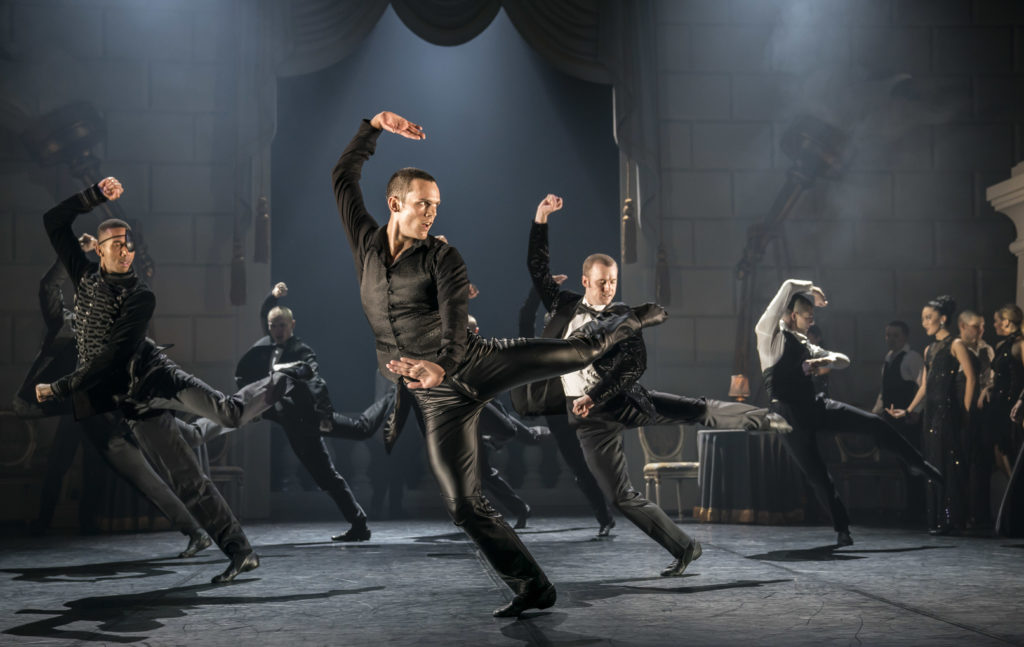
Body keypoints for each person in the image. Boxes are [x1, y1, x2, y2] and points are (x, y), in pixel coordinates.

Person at [331, 110, 666, 617]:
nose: (431, 214)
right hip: (435, 396)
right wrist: (373, 126)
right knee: (463, 506)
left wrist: (441, 364)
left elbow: (454, 324)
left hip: (473, 365)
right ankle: (534, 587)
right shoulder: (366, 243)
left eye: (436, 207)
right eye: (423, 205)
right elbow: (343, 176)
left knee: (576, 351)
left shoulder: (444, 257)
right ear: (394, 204)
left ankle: (629, 318)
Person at [36, 177, 294, 582]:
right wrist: (94, 196)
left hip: (158, 378)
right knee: (187, 481)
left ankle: (281, 381)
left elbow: (114, 354)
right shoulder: (83, 276)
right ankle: (241, 551)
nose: (126, 251)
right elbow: (54, 220)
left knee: (228, 414)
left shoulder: (140, 295)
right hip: (132, 404)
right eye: (116, 244)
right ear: (98, 250)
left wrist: (62, 387)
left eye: (129, 244)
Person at [520, 193, 788, 577]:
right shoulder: (565, 306)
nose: (608, 288)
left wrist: (594, 395)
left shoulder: (623, 317)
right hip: (589, 421)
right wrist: (541, 217)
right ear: (584, 282)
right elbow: (538, 269)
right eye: (601, 282)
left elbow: (634, 366)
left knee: (693, 409)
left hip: (622, 400)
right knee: (620, 496)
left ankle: (760, 419)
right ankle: (684, 547)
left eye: (613, 282)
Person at [15, 252, 211, 556]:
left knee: (150, 475)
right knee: (60, 467)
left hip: (111, 419)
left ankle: (196, 529)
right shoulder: (64, 325)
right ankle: (43, 522)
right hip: (75, 414)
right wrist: (64, 259)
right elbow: (47, 289)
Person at [758, 280, 942, 546]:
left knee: (872, 423)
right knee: (818, 475)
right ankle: (842, 529)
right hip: (788, 417)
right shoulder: (768, 336)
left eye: (813, 317)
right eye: (808, 317)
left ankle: (917, 463)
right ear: (792, 315)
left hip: (815, 406)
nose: (811, 322)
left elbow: (844, 360)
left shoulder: (806, 344)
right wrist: (812, 289)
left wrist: (824, 360)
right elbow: (787, 285)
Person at [233, 282, 393, 541]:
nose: (277, 330)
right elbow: (266, 314)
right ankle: (359, 525)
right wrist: (272, 296)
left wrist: (325, 414)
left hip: (312, 419)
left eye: (282, 325)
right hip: (295, 427)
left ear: (292, 325)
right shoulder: (271, 348)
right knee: (326, 478)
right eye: (274, 326)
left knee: (363, 430)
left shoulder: (301, 351)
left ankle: (391, 396)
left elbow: (315, 381)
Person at [515, 278, 617, 537]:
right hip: (558, 410)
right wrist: (537, 288)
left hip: (581, 404)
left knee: (590, 462)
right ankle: (604, 516)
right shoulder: (541, 344)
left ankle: (607, 513)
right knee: (578, 464)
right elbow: (525, 317)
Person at [888, 296, 973, 535]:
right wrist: (908, 409)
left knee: (949, 464)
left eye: (928, 318)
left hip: (949, 412)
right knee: (933, 463)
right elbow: (924, 386)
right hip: (932, 414)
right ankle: (938, 518)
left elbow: (971, 378)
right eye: (923, 318)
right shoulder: (928, 349)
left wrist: (966, 411)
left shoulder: (955, 344)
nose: (924, 322)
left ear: (943, 319)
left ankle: (952, 519)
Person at [958, 311, 994, 528]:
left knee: (980, 463)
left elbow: (991, 377)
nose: (980, 331)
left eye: (982, 326)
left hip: (981, 411)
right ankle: (960, 514)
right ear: (962, 326)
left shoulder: (986, 349)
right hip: (961, 410)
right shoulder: (956, 347)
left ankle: (980, 514)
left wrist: (987, 388)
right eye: (975, 326)